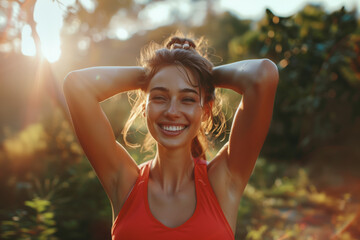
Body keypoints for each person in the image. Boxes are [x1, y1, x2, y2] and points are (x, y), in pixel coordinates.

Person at [63, 35, 279, 239]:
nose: (172, 111)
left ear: (205, 111)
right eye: (159, 97)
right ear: (144, 108)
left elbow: (262, 74)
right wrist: (150, 73)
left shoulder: (223, 182)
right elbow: (77, 85)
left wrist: (202, 73)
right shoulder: (125, 182)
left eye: (187, 99)